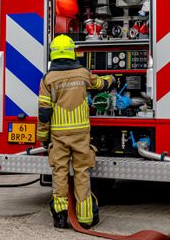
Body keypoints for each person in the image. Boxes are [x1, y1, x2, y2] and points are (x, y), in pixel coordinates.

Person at [36, 34, 113, 229]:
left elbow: (44, 113)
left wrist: (43, 137)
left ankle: (60, 217)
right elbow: (100, 84)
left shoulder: (48, 79)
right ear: (72, 52)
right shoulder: (83, 73)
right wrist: (111, 79)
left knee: (60, 173)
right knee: (82, 173)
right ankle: (86, 219)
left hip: (59, 136)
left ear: (53, 53)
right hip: (80, 135)